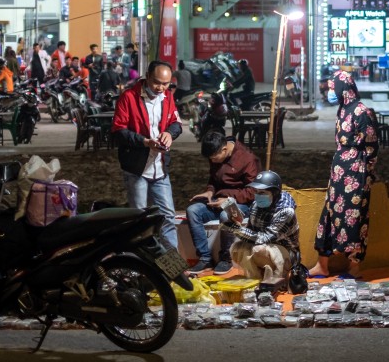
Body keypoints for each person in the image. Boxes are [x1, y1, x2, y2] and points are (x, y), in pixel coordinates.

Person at [313, 70, 379, 278]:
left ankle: (354, 267)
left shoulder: (362, 112)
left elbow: (371, 148)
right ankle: (322, 265)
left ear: (343, 88)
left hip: (356, 176)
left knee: (354, 220)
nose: (331, 92)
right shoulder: (343, 110)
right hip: (339, 173)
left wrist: (364, 177)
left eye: (333, 88)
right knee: (329, 216)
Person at [110, 60, 182, 248]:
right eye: (157, 82)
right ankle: (139, 265)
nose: (161, 88)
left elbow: (176, 122)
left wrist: (169, 134)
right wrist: (145, 142)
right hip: (136, 169)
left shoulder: (167, 96)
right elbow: (118, 131)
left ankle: (173, 268)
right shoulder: (129, 97)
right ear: (147, 77)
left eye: (166, 84)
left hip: (160, 168)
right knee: (139, 220)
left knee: (168, 217)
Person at [187, 130, 260, 274]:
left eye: (214, 158)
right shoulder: (215, 153)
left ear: (225, 149)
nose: (212, 161)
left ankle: (226, 258)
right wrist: (209, 191)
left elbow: (252, 192)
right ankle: (205, 258)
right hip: (217, 199)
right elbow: (213, 180)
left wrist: (228, 199)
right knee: (193, 210)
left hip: (242, 203)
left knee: (226, 215)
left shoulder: (247, 159)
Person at [222, 170, 301, 296]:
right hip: (262, 244)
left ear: (274, 193)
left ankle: (276, 282)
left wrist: (236, 229)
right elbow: (250, 233)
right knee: (237, 248)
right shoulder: (256, 205)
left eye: (262, 192)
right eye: (256, 192)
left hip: (285, 250)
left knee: (259, 250)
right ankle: (256, 282)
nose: (258, 195)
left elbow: (264, 238)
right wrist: (234, 223)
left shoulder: (286, 211)